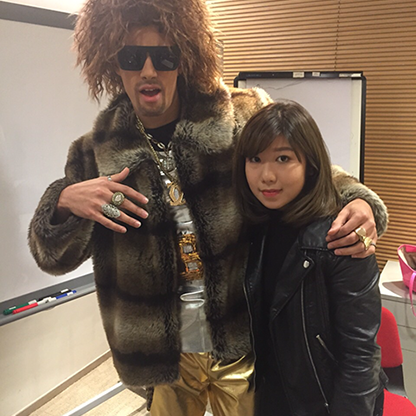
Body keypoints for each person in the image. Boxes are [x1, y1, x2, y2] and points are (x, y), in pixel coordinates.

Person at [28, 0, 388, 415]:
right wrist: (62, 203)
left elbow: (307, 168)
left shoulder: (238, 116)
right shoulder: (93, 154)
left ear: (184, 58)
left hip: (242, 341)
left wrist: (358, 198)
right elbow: (53, 258)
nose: (149, 71)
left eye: (164, 57)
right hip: (162, 358)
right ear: (113, 63)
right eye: (132, 57)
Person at [233, 100, 386, 416]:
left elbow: (360, 357)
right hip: (264, 398)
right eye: (255, 159)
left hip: (322, 404)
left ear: (311, 164)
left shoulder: (341, 238)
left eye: (283, 158)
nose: (267, 176)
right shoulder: (251, 228)